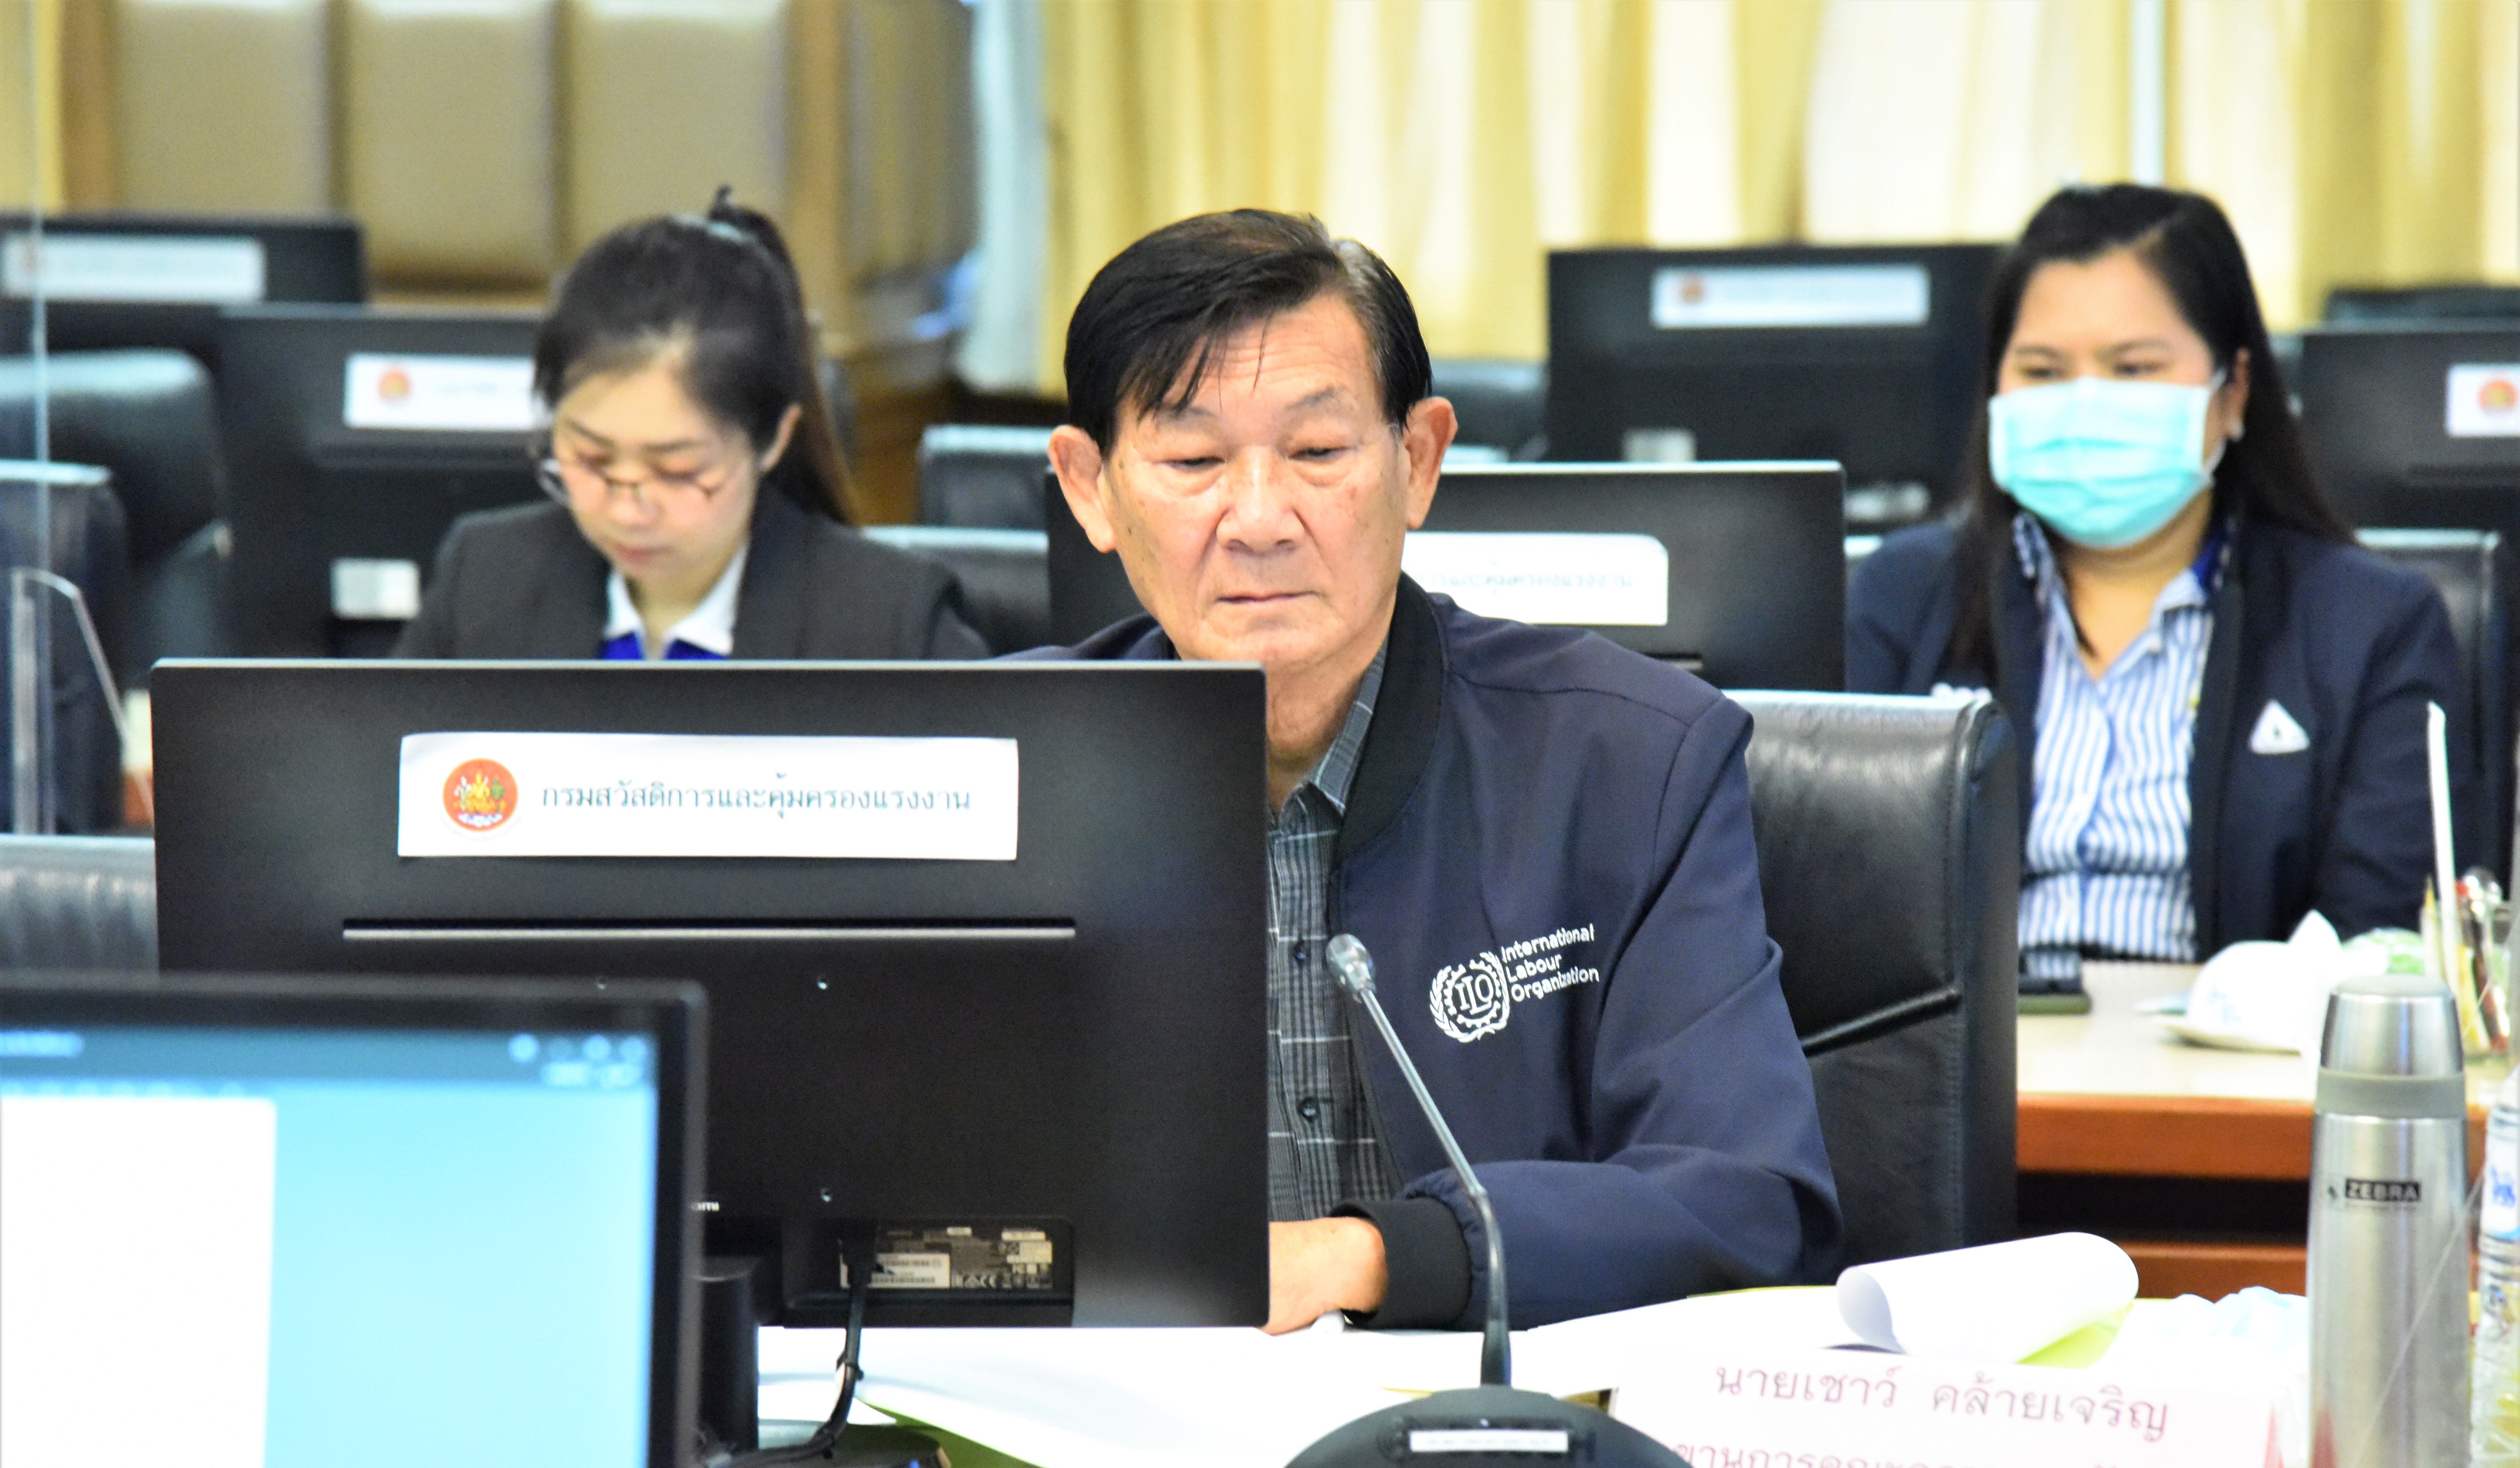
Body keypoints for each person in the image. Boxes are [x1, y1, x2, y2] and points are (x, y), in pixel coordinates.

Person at [1039, 210, 1841, 1334]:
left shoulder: (1631, 760)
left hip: (1494, 1410)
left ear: (1416, 462)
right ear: (1089, 487)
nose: (1259, 518)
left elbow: (1747, 1201)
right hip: (1097, 1406)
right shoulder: (1007, 776)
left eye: (1318, 453)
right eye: (1192, 462)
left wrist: (1371, 1258)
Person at [1847, 184, 2471, 973]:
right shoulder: (1903, 596)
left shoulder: (2371, 623)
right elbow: (1832, 885)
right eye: (2041, 370)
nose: (2084, 403)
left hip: (2227, 1046)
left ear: (2232, 392)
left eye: (2133, 367)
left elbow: (2380, 943)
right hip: (1970, 1045)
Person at [395, 191, 987, 661]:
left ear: (772, 439)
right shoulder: (485, 580)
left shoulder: (891, 624)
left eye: (677, 471)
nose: (628, 510)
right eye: (592, 460)